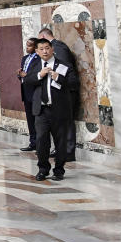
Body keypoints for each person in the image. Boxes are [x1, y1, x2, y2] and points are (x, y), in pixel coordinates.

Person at [23, 38, 73, 181]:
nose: (45, 51)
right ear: (37, 51)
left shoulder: (64, 65)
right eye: (41, 49)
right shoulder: (35, 65)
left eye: (47, 48)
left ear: (52, 49)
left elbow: (73, 83)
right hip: (41, 110)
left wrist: (59, 78)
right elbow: (27, 81)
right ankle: (43, 169)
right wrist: (40, 75)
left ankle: (59, 170)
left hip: (59, 110)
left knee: (60, 142)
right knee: (41, 140)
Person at [38, 27, 79, 161]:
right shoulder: (57, 46)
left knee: (65, 124)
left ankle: (67, 152)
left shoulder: (58, 47)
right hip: (58, 91)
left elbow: (65, 70)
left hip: (64, 91)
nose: (44, 51)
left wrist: (57, 78)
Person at [17, 37, 39, 152]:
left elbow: (36, 74)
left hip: (35, 92)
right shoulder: (25, 58)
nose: (27, 47)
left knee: (37, 120)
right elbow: (23, 74)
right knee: (30, 120)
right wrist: (19, 75)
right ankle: (33, 142)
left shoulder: (39, 59)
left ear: (35, 47)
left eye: (29, 45)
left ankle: (40, 144)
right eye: (26, 45)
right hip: (25, 92)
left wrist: (26, 75)